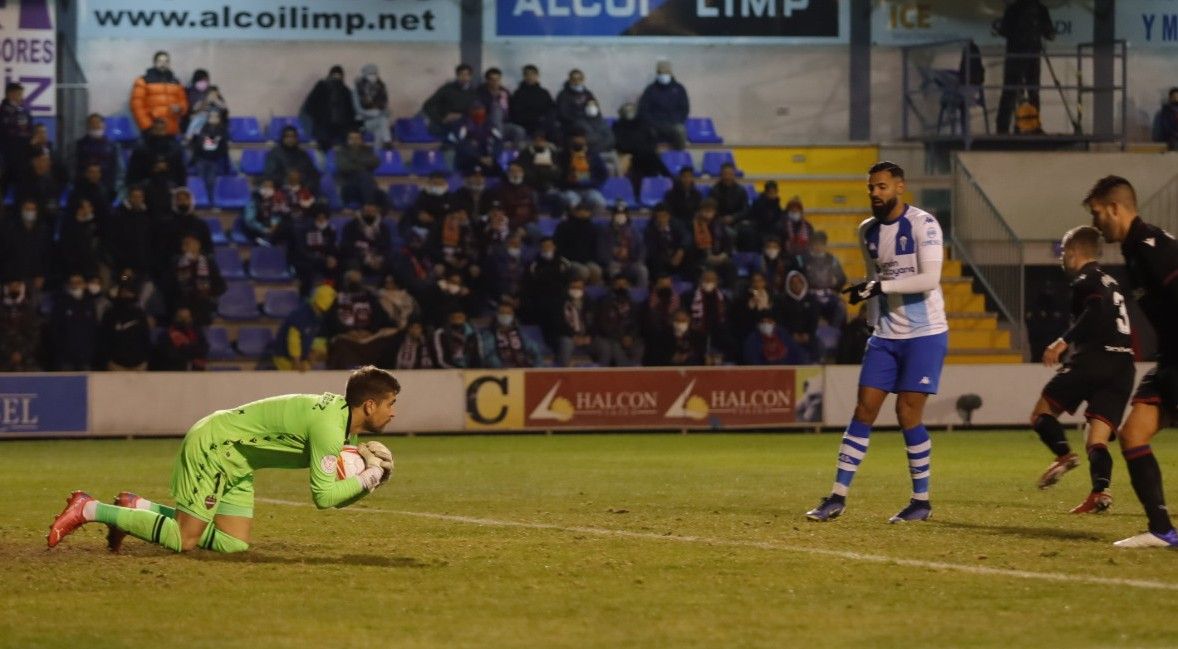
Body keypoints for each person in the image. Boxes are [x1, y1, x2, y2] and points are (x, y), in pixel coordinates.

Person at [47, 366, 398, 553]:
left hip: (239, 460)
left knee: (233, 544)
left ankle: (136, 506)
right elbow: (323, 498)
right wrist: (369, 477)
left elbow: (336, 496)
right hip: (217, 446)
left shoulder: (342, 427)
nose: (393, 413)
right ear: (369, 405)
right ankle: (90, 508)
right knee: (186, 540)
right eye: (390, 404)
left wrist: (370, 479)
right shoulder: (328, 428)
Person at [806, 161, 948, 524]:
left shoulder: (923, 224)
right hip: (885, 335)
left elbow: (929, 279)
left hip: (924, 334)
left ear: (900, 187)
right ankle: (836, 497)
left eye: (882, 187)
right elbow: (874, 278)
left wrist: (881, 287)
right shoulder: (867, 230)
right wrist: (869, 314)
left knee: (906, 414)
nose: (875, 193)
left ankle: (921, 500)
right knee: (863, 410)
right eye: (871, 187)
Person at [1085, 175, 1178, 547]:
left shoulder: (1148, 245)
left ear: (1115, 208)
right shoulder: (1134, 248)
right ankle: (1163, 531)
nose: (1095, 223)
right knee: (1133, 434)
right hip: (1170, 358)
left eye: (1097, 214)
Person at [1027, 225, 1134, 514]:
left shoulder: (1085, 279)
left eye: (1064, 252)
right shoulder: (1112, 281)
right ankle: (1100, 493)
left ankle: (1063, 455)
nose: (1062, 258)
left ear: (1074, 252)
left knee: (1041, 413)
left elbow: (1095, 310)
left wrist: (1063, 342)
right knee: (1096, 439)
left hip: (1094, 360)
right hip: (1123, 365)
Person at [995, 0, 1055, 135]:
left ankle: (1008, 127)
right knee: (1020, 92)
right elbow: (1050, 33)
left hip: (1023, 55)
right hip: (1023, 55)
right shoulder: (1037, 9)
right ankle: (1022, 126)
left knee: (1017, 92)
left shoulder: (1027, 9)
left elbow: (1003, 30)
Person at [97, 272, 153, 371]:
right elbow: (104, 338)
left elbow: (145, 337)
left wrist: (145, 359)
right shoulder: (110, 313)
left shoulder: (139, 314)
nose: (127, 294)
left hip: (138, 365)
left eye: (130, 291)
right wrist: (107, 360)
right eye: (124, 291)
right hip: (116, 365)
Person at [273, 284, 336, 371]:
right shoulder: (301, 315)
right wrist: (296, 362)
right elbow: (293, 340)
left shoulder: (317, 316)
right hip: (285, 358)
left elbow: (314, 337)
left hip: (301, 358)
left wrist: (314, 352)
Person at [613, 102, 668, 195]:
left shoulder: (642, 125)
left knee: (652, 157)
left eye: (632, 110)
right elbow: (619, 145)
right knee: (651, 158)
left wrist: (644, 148)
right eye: (627, 110)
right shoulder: (618, 126)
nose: (630, 113)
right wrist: (636, 148)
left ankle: (656, 186)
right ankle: (668, 176)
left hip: (644, 155)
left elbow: (652, 141)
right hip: (629, 155)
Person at [130, 51, 188, 135]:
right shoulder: (143, 81)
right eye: (160, 61)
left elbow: (184, 103)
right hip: (152, 129)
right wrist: (147, 126)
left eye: (166, 61)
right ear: (154, 62)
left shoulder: (176, 82)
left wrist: (179, 108)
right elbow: (136, 106)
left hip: (172, 129)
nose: (163, 64)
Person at [300, 65, 356, 151]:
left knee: (345, 148)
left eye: (339, 75)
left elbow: (351, 111)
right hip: (323, 127)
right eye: (335, 75)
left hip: (340, 128)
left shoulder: (346, 91)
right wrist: (318, 120)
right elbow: (310, 105)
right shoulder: (321, 86)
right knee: (323, 148)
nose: (337, 77)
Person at [50, 274, 100, 371]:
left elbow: (93, 328)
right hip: (66, 356)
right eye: (72, 282)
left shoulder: (89, 303)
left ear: (84, 284)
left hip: (85, 355)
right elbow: (55, 328)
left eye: (78, 282)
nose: (75, 285)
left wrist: (91, 350)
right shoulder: (61, 303)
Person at [592, 275, 644, 367]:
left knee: (640, 345)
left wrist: (630, 336)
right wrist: (620, 337)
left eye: (624, 284)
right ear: (612, 286)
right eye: (618, 284)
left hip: (629, 337)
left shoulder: (632, 303)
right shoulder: (604, 302)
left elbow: (636, 323)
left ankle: (635, 371)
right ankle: (625, 373)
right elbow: (603, 325)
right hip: (611, 337)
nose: (621, 287)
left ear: (628, 286)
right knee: (614, 347)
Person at [637, 60, 689, 149]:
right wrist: (654, 123)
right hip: (654, 126)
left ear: (671, 73)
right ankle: (653, 158)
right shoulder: (650, 90)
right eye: (661, 72)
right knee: (645, 131)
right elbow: (643, 110)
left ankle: (681, 156)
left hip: (673, 125)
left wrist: (675, 121)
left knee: (680, 130)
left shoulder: (679, 89)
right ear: (657, 73)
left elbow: (684, 109)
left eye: (666, 72)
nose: (663, 75)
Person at [597, 204, 648, 288]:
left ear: (627, 215)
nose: (620, 216)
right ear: (613, 215)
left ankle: (639, 296)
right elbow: (601, 252)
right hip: (613, 263)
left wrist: (639, 261)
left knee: (642, 270)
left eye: (622, 214)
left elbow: (642, 249)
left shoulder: (634, 231)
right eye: (618, 214)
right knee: (613, 269)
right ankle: (615, 295)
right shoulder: (605, 232)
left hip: (631, 264)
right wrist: (609, 262)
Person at [556, 131, 607, 213]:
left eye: (580, 137)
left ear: (585, 139)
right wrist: (567, 180)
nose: (578, 140)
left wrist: (592, 182)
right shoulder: (563, 155)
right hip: (570, 189)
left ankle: (591, 223)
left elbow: (603, 174)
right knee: (571, 201)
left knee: (599, 202)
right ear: (570, 139)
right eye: (575, 137)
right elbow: (557, 175)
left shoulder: (593, 155)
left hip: (589, 189)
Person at [422, 64, 478, 138]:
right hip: (445, 124)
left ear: (470, 77)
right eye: (461, 74)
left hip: (465, 124)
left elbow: (477, 111)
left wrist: (461, 116)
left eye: (467, 75)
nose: (464, 77)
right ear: (457, 76)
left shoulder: (474, 92)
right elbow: (427, 105)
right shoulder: (447, 89)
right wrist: (441, 119)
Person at [804, 231, 848, 326]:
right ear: (811, 245)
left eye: (821, 244)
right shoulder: (805, 260)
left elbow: (842, 278)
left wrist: (835, 286)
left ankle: (835, 332)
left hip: (828, 293)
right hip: (810, 294)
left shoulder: (831, 260)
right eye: (816, 244)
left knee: (840, 307)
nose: (818, 247)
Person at [481, 301, 542, 368]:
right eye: (502, 313)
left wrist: (536, 366)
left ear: (513, 316)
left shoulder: (519, 333)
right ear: (497, 315)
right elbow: (489, 356)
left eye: (508, 313)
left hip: (522, 368)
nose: (505, 316)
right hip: (502, 371)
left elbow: (534, 349)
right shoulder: (489, 334)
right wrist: (502, 367)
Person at [478, 67, 526, 147]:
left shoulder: (505, 92)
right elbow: (479, 111)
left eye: (497, 79)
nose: (495, 82)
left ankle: (511, 152)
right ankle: (498, 146)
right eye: (492, 80)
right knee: (496, 109)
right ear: (487, 80)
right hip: (487, 125)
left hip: (504, 124)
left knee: (519, 131)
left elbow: (512, 109)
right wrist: (494, 100)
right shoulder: (480, 92)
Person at [555, 202, 602, 282]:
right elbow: (558, 246)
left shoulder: (592, 228)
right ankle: (575, 288)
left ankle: (590, 292)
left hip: (586, 260)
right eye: (580, 210)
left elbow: (594, 247)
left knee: (596, 270)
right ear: (574, 212)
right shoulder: (564, 226)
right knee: (583, 271)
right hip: (568, 260)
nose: (583, 213)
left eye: (586, 210)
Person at [150, 306, 208, 371]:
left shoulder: (197, 332)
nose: (185, 321)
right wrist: (189, 351)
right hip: (174, 370)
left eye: (187, 318)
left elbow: (204, 347)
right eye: (182, 318)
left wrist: (188, 350)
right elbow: (170, 354)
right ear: (176, 318)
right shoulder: (166, 335)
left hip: (195, 368)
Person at [189, 109, 229, 199]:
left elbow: (224, 147)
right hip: (201, 159)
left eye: (216, 117)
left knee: (211, 182)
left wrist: (226, 164)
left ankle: (211, 202)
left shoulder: (222, 131)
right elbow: (196, 145)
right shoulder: (202, 129)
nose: (213, 119)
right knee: (200, 182)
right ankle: (200, 200)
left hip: (214, 160)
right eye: (211, 117)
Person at [74, 113, 119, 194]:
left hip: (106, 186)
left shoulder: (112, 146)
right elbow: (75, 166)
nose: (95, 126)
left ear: (104, 125)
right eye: (92, 123)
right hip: (84, 186)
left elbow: (117, 168)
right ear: (87, 126)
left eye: (98, 123)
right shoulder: (80, 145)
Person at [0, 82, 32, 196]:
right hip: (5, 159)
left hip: (22, 159)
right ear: (10, 94)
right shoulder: (2, 111)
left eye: (21, 94)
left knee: (22, 191)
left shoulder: (24, 112)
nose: (21, 97)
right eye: (19, 94)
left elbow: (29, 131)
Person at [335, 129, 380, 207]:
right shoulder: (342, 151)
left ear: (361, 140)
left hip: (366, 183)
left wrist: (355, 162)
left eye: (357, 138)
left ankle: (371, 209)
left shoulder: (368, 150)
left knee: (382, 195)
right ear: (347, 140)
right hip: (349, 183)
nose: (354, 141)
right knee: (365, 176)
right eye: (351, 138)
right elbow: (344, 167)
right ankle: (369, 204)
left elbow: (375, 162)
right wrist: (363, 165)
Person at [509, 64, 556, 140]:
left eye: (532, 74)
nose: (530, 77)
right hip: (524, 126)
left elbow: (551, 110)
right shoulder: (518, 94)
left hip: (542, 126)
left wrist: (545, 121)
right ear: (524, 76)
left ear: (537, 76)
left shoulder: (544, 93)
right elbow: (515, 113)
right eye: (527, 74)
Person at [353, 64, 391, 150]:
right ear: (365, 75)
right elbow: (358, 109)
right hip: (363, 121)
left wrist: (381, 112)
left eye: (375, 74)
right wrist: (371, 114)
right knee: (383, 122)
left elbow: (385, 106)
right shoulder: (358, 88)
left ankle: (377, 156)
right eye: (370, 74)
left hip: (378, 121)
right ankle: (388, 141)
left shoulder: (381, 87)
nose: (373, 76)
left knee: (380, 129)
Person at [644, 203, 687, 279]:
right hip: (661, 259)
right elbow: (651, 250)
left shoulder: (676, 224)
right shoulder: (650, 229)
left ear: (669, 216)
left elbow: (686, 237)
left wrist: (681, 251)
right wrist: (660, 233)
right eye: (659, 216)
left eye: (664, 216)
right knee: (655, 262)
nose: (661, 219)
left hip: (677, 256)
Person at [183, 69, 229, 138]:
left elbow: (224, 108)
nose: (204, 82)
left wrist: (216, 101)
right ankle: (190, 138)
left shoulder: (213, 90)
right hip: (197, 117)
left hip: (213, 117)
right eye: (201, 80)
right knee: (197, 120)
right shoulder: (189, 92)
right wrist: (205, 102)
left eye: (206, 80)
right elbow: (190, 110)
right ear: (195, 81)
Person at [555, 69, 597, 139]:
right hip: (572, 123)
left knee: (604, 129)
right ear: (570, 80)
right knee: (589, 131)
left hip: (589, 120)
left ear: (583, 80)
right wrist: (580, 118)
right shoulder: (563, 95)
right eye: (574, 79)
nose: (577, 82)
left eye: (579, 79)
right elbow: (563, 114)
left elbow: (596, 108)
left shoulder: (588, 93)